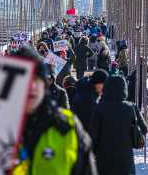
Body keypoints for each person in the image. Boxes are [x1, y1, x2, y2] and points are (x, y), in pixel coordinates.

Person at [12, 47, 98, 175]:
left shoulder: (67, 125)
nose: (31, 86)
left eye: (36, 78)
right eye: (24, 78)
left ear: (44, 83)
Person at [90, 76, 147, 175]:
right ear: (124, 88)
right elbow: (144, 129)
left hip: (104, 161)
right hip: (125, 161)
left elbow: (93, 136)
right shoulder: (130, 108)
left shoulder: (99, 108)